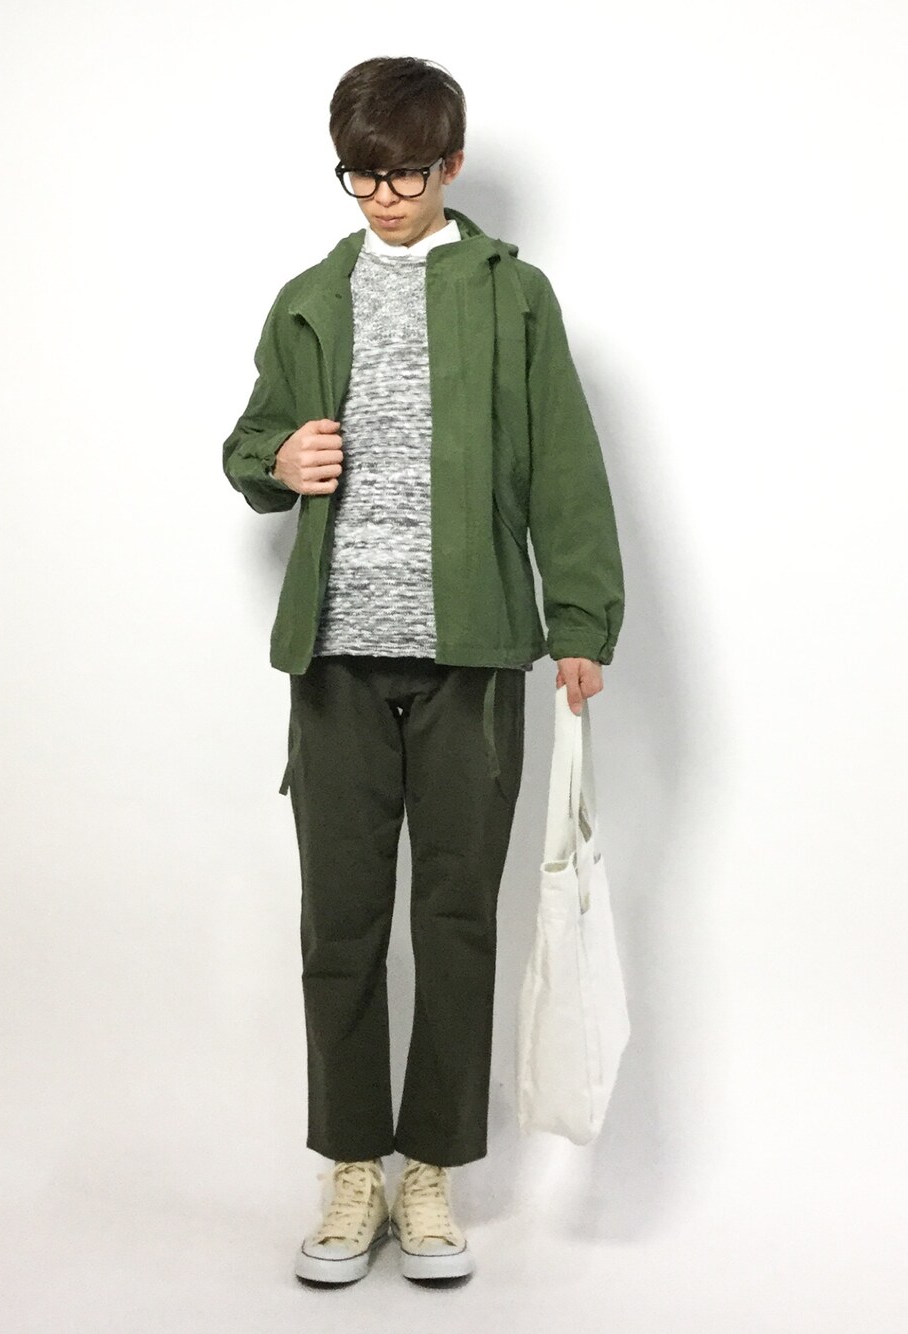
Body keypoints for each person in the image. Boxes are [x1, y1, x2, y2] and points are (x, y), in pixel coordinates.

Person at [221, 55, 625, 1285]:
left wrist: (580, 620)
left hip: (474, 654)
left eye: (402, 175)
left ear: (447, 165)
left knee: (455, 918)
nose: (382, 198)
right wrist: (278, 461)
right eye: (360, 176)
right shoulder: (308, 298)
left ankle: (434, 1168)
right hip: (335, 658)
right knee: (340, 921)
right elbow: (249, 444)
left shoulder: (513, 296)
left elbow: (563, 459)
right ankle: (352, 1164)